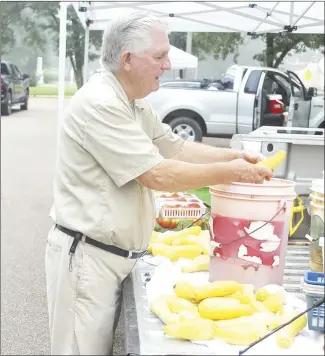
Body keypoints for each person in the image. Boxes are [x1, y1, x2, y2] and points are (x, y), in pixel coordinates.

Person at [45, 11, 273, 356]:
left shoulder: (133, 102)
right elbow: (157, 174)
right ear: (127, 59)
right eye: (159, 56)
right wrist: (234, 173)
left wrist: (232, 157)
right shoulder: (101, 104)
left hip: (112, 255)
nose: (168, 63)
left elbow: (175, 146)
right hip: (89, 257)